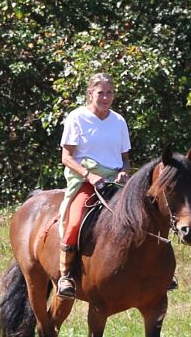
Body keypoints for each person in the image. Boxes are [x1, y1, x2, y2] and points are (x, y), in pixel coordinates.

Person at [55, 73, 133, 299]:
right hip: (86, 180)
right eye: (101, 93)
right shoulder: (77, 118)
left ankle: (155, 272)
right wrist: (89, 176)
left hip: (114, 182)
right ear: (90, 93)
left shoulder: (118, 121)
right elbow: (67, 157)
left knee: (145, 214)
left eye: (110, 93)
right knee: (75, 222)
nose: (105, 97)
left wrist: (123, 172)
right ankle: (66, 275)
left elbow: (125, 158)